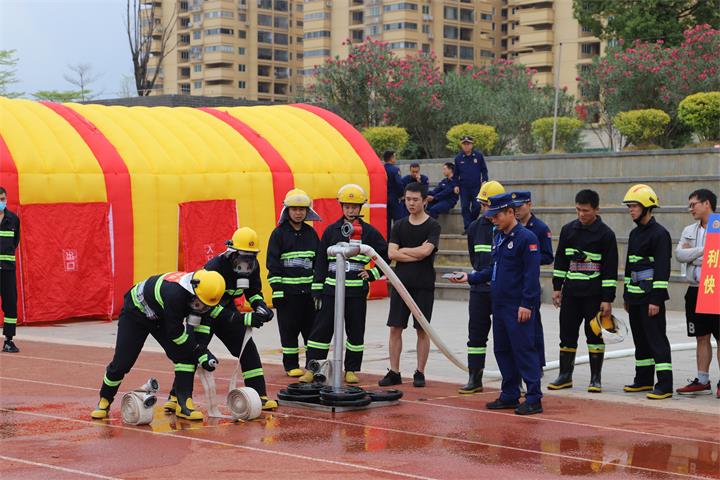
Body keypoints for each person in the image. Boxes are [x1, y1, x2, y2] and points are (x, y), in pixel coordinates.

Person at [163, 227, 278, 412]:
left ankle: (259, 396)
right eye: (244, 256)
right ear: (233, 252)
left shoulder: (253, 266)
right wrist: (242, 318)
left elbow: (253, 291)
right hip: (204, 313)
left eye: (252, 256)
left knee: (247, 349)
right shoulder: (215, 267)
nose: (248, 261)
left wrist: (260, 306)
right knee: (193, 353)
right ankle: (176, 397)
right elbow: (207, 304)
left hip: (228, 310)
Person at [451, 192, 543, 415]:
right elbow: (493, 269)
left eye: (497, 215)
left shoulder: (526, 238)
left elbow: (531, 276)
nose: (493, 220)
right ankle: (510, 393)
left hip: (517, 306)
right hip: (499, 304)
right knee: (502, 350)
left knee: (524, 351)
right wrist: (470, 277)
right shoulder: (499, 236)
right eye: (491, 216)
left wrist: (526, 304)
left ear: (510, 212)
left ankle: (534, 398)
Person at [91, 269, 225, 420]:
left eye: (206, 306)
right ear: (193, 290)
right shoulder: (175, 294)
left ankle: (183, 404)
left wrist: (201, 350)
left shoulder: (206, 295)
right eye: (200, 304)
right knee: (122, 363)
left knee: (185, 356)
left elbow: (202, 326)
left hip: (161, 315)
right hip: (136, 313)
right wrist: (200, 352)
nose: (202, 308)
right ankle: (104, 400)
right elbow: (176, 334)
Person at [300, 184, 388, 384]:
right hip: (331, 291)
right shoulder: (331, 231)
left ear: (361, 207)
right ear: (341, 206)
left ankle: (351, 369)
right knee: (320, 331)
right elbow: (321, 261)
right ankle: (313, 368)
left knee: (355, 331)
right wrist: (317, 289)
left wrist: (373, 273)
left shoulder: (369, 232)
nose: (351, 210)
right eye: (347, 206)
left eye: (354, 206)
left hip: (356, 292)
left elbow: (385, 254)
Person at [548, 189, 618, 393]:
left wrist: (607, 299)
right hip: (571, 293)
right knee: (567, 334)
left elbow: (610, 269)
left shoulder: (606, 235)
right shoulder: (568, 230)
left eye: (585, 210)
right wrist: (557, 287)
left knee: (594, 334)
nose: (581, 214)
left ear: (596, 210)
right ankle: (565, 376)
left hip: (593, 295)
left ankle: (595, 379)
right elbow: (561, 261)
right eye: (578, 209)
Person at [380, 182, 441, 388]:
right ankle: (394, 371)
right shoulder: (399, 225)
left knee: (422, 330)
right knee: (395, 328)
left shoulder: (433, 226)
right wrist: (416, 253)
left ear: (425, 201)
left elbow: (426, 252)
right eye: (408, 199)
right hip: (400, 284)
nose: (411, 203)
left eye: (415, 199)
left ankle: (420, 372)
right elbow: (391, 253)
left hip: (423, 284)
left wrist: (404, 251)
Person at [622, 184, 673, 400]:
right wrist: (626, 294)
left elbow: (662, 269)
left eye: (634, 206)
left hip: (651, 298)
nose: (631, 210)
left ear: (647, 208)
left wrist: (656, 299)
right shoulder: (634, 234)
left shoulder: (660, 234)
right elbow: (629, 266)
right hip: (635, 297)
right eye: (629, 206)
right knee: (640, 340)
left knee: (656, 340)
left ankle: (665, 384)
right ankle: (643, 380)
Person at [267, 189, 321, 378]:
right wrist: (277, 291)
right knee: (289, 331)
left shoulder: (311, 234)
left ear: (307, 211)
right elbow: (273, 264)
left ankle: (312, 365)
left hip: (308, 294)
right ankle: (290, 365)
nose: (298, 213)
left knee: (311, 331)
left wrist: (318, 290)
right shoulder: (278, 234)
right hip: (288, 294)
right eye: (294, 209)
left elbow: (318, 263)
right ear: (287, 211)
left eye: (302, 209)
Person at [457, 180, 505, 394]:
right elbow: (474, 258)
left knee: (506, 336)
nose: (484, 209)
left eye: (487, 205)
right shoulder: (475, 228)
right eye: (482, 204)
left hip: (501, 291)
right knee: (476, 336)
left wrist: (474, 277)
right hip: (479, 291)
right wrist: (476, 278)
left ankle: (513, 380)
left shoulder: (506, 229)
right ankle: (474, 378)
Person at [675, 189, 719, 397]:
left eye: (694, 204)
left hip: (715, 287)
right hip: (694, 289)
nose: (690, 209)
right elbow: (679, 254)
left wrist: (692, 255)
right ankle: (702, 380)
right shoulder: (689, 230)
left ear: (706, 204)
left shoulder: (718, 225)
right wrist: (704, 250)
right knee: (701, 336)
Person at [512, 190, 554, 369]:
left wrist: (529, 257)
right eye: (514, 207)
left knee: (533, 326)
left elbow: (548, 256)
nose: (516, 210)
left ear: (529, 205)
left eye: (520, 206)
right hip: (514, 282)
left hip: (529, 283)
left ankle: (537, 363)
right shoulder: (511, 227)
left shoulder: (540, 228)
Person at [453, 136, 489, 233]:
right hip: (464, 187)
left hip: (476, 186)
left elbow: (484, 170)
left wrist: (484, 180)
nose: (466, 146)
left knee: (477, 207)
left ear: (472, 145)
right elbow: (455, 174)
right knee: (465, 207)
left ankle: (471, 225)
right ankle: (468, 228)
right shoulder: (458, 158)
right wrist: (456, 185)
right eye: (464, 144)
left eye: (468, 144)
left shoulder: (478, 156)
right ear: (461, 145)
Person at [0, 186, 20, 353]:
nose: (1, 202)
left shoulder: (13, 219)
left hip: (7, 270)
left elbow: (15, 242)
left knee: (10, 304)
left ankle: (8, 340)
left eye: (3, 199)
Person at [383, 150, 405, 236]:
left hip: (384, 199)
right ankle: (397, 240)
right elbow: (399, 183)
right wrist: (401, 195)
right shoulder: (395, 169)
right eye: (394, 157)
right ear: (391, 158)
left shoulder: (381, 169)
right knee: (398, 221)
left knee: (386, 223)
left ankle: (387, 240)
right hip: (395, 198)